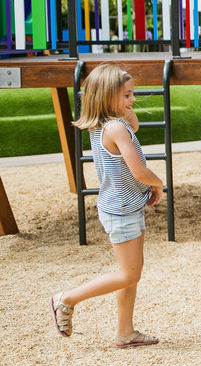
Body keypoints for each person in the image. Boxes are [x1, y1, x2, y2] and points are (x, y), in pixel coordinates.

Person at [50, 64, 164, 348]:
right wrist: (158, 183)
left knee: (132, 271)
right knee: (129, 273)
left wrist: (122, 103)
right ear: (107, 97)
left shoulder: (110, 124)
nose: (133, 100)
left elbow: (134, 124)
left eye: (132, 94)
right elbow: (138, 170)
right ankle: (65, 300)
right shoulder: (114, 128)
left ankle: (125, 332)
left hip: (125, 205)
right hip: (121, 209)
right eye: (127, 95)